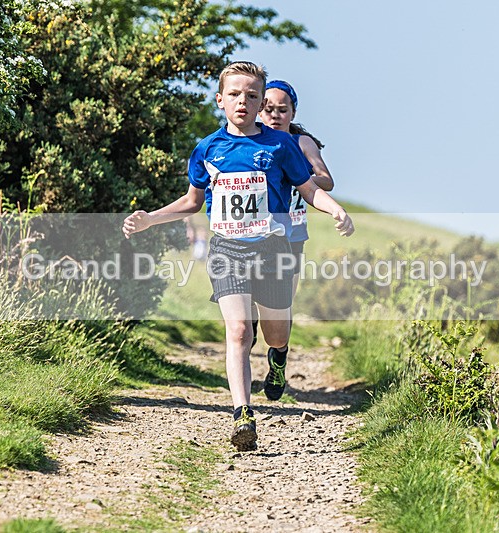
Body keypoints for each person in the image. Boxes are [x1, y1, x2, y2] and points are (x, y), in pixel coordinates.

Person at [123, 61, 354, 451]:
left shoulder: (281, 145)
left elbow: (309, 188)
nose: (242, 102)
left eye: (251, 95)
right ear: (220, 100)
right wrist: (151, 219)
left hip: (273, 249)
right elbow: (192, 203)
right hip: (227, 250)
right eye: (234, 94)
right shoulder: (207, 148)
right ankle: (242, 413)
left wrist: (334, 209)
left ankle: (278, 358)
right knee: (239, 331)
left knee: (273, 332)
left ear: (262, 101)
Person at [251, 79, 335, 400]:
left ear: (293, 112)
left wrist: (297, 178)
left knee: (281, 304)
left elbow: (326, 180)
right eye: (268, 109)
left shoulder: (302, 144)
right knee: (247, 305)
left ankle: (278, 359)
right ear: (259, 110)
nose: (274, 115)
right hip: (256, 233)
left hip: (293, 236)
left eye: (282, 110)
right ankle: (247, 338)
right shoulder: (253, 142)